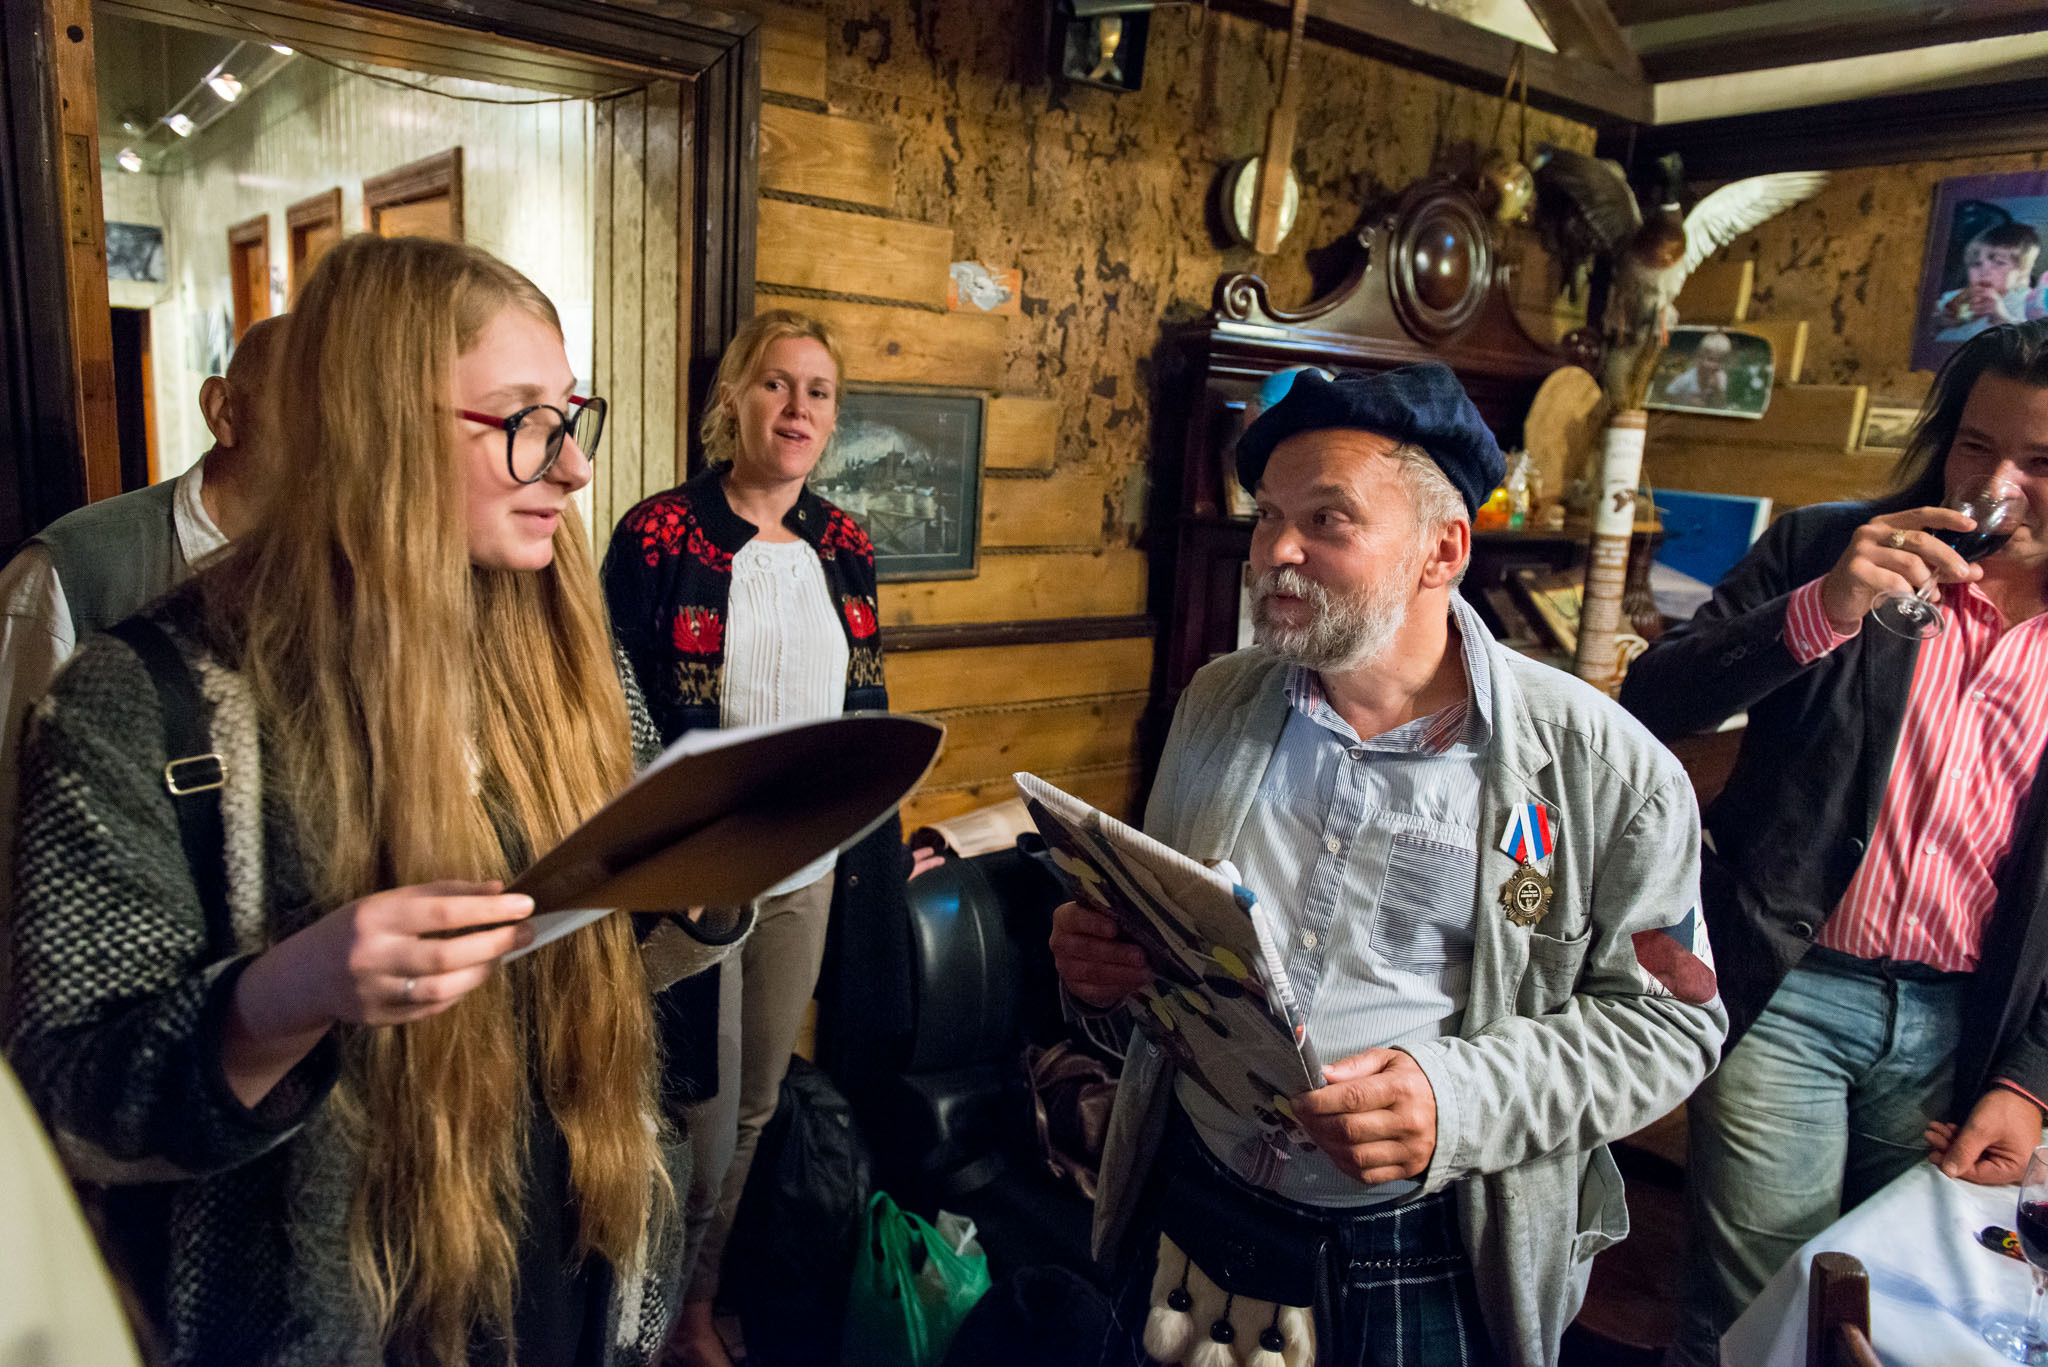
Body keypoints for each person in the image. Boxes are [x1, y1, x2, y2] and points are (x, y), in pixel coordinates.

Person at [6, 234, 750, 1366]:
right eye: (523, 421)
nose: (575, 467)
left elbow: (619, 932)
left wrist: (708, 882)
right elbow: (69, 1104)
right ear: (379, 424)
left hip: (559, 1265)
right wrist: (284, 992)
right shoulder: (139, 698)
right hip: (337, 1299)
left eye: (570, 413)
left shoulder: (562, 656)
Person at [1053, 364, 1727, 1367]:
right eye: (1267, 515)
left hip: (1417, 1246)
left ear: (1440, 549)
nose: (1276, 550)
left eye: (1327, 519)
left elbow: (1673, 1019)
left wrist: (1455, 1098)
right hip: (1186, 1185)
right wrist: (1104, 966)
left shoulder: (1606, 770)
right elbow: (1176, 945)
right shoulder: (1216, 702)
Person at [1621, 320, 2048, 1365]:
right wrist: (1828, 605)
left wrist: (2031, 1077)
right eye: (1974, 445)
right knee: (1753, 1310)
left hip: (1966, 1022)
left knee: (1897, 1313)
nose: (1996, 482)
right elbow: (1655, 694)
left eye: (2041, 462)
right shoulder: (1827, 545)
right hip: (1789, 988)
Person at [601, 308, 908, 1367]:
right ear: (731, 396)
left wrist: (884, 840)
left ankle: (697, 1299)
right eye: (775, 384)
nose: (796, 407)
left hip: (808, 864)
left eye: (817, 391)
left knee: (760, 1098)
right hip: (696, 867)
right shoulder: (656, 535)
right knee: (688, 1098)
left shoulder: (846, 544)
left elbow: (866, 707)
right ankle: (630, 1308)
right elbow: (612, 711)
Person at [0, 313, 285, 999]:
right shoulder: (77, 567)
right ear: (224, 410)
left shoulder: (335, 572)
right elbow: (13, 807)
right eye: (312, 397)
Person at [1932, 221, 2039, 342]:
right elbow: (1925, 329)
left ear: (2022, 271)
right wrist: (1940, 322)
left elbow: (2032, 343)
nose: (1984, 272)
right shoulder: (1954, 297)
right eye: (1976, 264)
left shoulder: (2028, 302)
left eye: (1999, 263)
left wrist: (2001, 318)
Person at [1661, 330, 1733, 409]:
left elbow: (1720, 406)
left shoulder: (1721, 378)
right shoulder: (1686, 379)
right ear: (1699, 358)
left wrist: (1717, 390)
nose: (1715, 365)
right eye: (1710, 359)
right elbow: (1668, 396)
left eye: (1720, 361)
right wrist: (1686, 403)